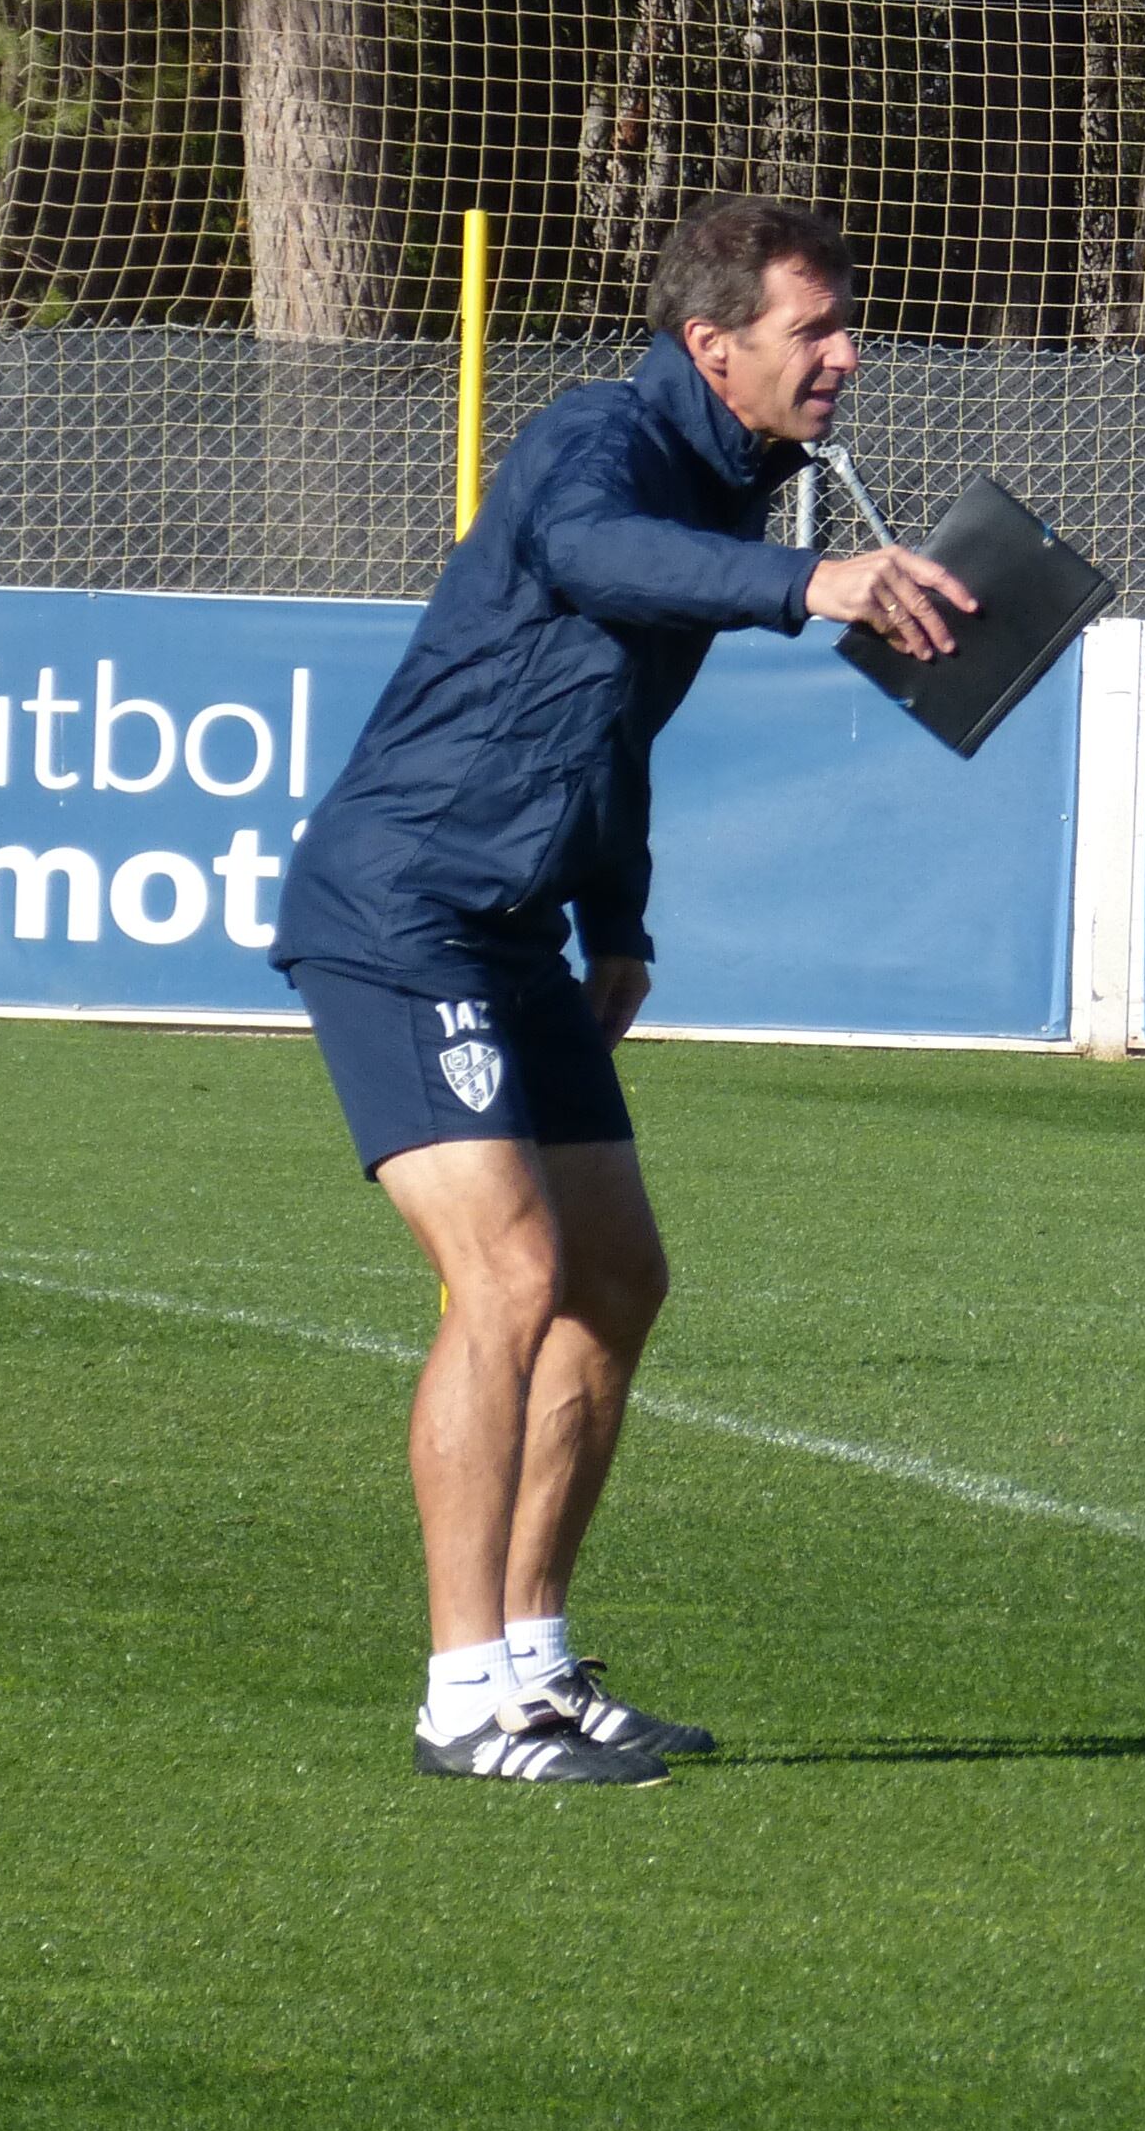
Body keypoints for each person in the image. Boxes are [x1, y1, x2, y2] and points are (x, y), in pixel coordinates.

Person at [273, 197, 969, 1788]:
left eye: (847, 323)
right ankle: (463, 1697)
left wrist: (622, 926)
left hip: (524, 932)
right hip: (405, 911)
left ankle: (533, 1656)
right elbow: (591, 557)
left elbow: (608, 725)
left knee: (616, 1278)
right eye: (816, 330)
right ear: (711, 349)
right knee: (509, 1277)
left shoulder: (733, 476)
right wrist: (812, 586)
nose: (848, 354)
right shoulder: (599, 440)